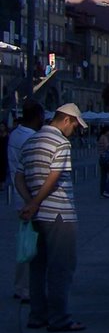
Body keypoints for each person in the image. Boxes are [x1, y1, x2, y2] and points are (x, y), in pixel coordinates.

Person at [18, 103, 88, 332]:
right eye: (75, 126)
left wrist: (30, 203)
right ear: (66, 120)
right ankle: (60, 319)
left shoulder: (30, 142)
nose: (74, 131)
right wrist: (36, 202)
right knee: (61, 267)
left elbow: (19, 176)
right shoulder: (61, 143)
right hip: (59, 214)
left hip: (37, 215)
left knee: (38, 268)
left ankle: (37, 316)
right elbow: (55, 175)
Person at [8, 100, 44, 302]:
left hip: (19, 198)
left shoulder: (15, 134)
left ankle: (19, 286)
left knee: (25, 244)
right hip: (31, 199)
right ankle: (26, 289)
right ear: (37, 117)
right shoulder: (32, 139)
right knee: (33, 247)